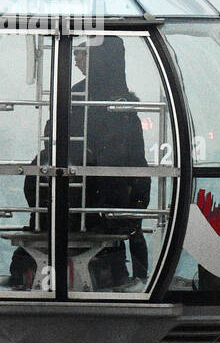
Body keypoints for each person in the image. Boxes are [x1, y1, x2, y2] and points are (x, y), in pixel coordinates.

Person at [11, 36, 151, 291]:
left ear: (100, 59)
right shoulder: (119, 102)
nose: (76, 60)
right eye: (75, 54)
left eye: (82, 54)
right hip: (100, 195)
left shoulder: (83, 97)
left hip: (95, 195)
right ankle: (131, 276)